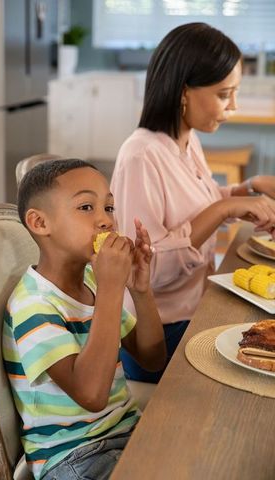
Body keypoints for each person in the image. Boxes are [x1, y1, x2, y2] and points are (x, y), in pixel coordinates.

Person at [111, 22, 275, 383]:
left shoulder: (185, 141)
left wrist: (248, 190)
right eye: (224, 94)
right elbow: (146, 270)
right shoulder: (141, 155)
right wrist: (223, 209)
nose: (233, 106)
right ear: (184, 91)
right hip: (160, 334)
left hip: (193, 308)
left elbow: (194, 205)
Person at [2, 159, 166, 480]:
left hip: (124, 429)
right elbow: (92, 395)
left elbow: (152, 359)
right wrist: (111, 288)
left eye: (109, 207)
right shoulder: (32, 305)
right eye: (87, 207)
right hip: (73, 456)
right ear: (39, 222)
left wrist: (141, 291)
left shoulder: (91, 282)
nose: (105, 220)